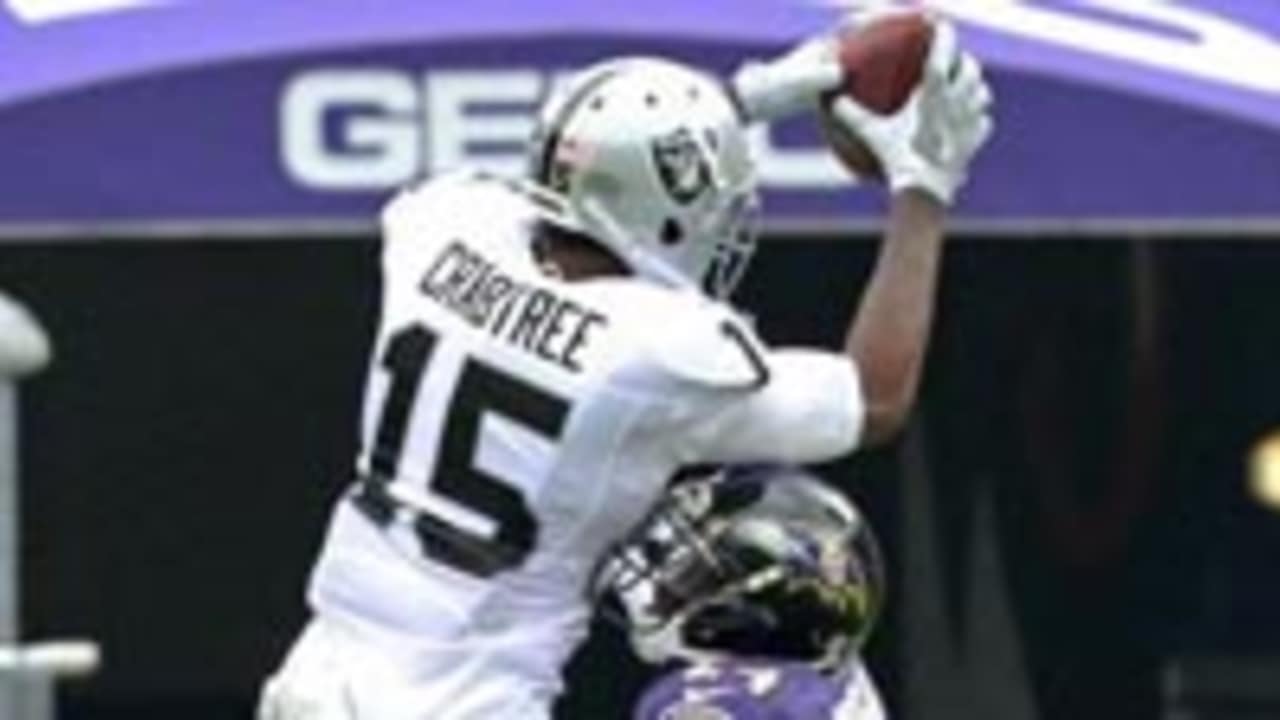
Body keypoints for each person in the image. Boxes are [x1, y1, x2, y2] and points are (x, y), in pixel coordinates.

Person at [258, 15, 993, 720]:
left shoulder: (444, 227)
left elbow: (582, 169)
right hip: (462, 702)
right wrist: (924, 187)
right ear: (664, 215)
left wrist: (745, 100)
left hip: (318, 675)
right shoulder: (654, 353)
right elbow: (873, 398)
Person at [594, 465, 889, 720]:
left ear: (758, 610)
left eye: (697, 578)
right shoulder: (825, 678)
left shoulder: (717, 702)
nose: (667, 586)